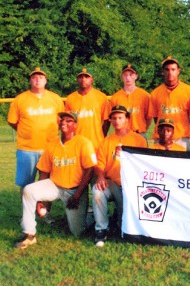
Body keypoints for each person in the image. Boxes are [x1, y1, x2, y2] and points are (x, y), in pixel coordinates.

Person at [14, 112, 97, 249]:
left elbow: (89, 170)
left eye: (69, 120)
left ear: (75, 125)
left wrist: (77, 195)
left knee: (77, 232)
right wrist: (40, 201)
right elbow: (45, 171)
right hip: (55, 185)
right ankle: (29, 234)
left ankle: (90, 214)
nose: (64, 122)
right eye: (62, 120)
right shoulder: (52, 145)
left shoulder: (84, 142)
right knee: (29, 190)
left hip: (75, 190)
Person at [92, 105, 147, 247]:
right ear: (110, 120)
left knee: (124, 223)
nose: (117, 121)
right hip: (113, 183)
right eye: (114, 118)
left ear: (127, 119)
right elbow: (99, 165)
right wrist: (100, 177)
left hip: (131, 184)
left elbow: (144, 165)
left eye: (120, 117)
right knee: (97, 191)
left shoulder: (138, 140)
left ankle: (121, 222)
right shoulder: (106, 141)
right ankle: (101, 229)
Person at [7, 67, 64, 195]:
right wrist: (25, 131)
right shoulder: (20, 99)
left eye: (41, 77)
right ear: (30, 81)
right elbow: (12, 121)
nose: (37, 80)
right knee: (26, 184)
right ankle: (27, 214)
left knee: (48, 182)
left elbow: (62, 121)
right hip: (27, 148)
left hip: (50, 147)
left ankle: (46, 213)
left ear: (46, 81)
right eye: (34, 77)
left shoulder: (55, 99)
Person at [149, 56, 190, 150]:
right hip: (161, 139)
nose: (170, 72)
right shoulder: (155, 92)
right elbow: (155, 117)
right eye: (167, 69)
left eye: (173, 69)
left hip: (181, 139)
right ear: (163, 71)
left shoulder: (188, 91)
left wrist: (185, 132)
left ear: (178, 71)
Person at [65, 68, 111, 151]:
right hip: (76, 144)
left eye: (87, 77)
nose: (83, 79)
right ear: (77, 79)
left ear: (92, 79)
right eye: (81, 77)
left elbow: (107, 120)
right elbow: (67, 123)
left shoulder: (101, 97)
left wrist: (101, 136)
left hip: (96, 143)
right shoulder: (70, 98)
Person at [110, 64, 151, 140]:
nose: (128, 77)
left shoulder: (145, 96)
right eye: (125, 75)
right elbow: (113, 119)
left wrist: (141, 129)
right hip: (122, 135)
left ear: (136, 76)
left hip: (139, 134)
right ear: (122, 76)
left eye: (131, 74)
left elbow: (148, 118)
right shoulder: (115, 97)